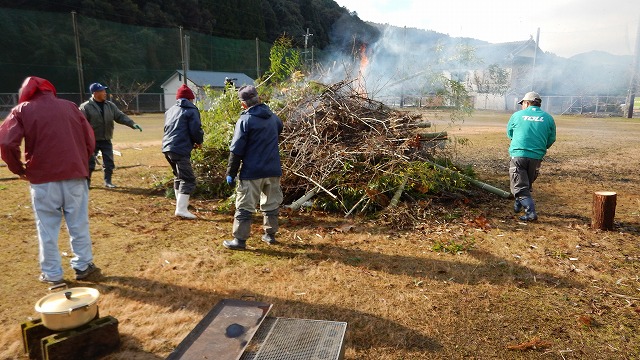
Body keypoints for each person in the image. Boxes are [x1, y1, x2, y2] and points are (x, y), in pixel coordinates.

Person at [0, 76, 99, 284]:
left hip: (43, 179)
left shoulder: (22, 110)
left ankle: (52, 274)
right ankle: (84, 265)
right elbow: (89, 138)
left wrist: (18, 169)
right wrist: (81, 161)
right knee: (79, 223)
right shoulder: (70, 107)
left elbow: (7, 142)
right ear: (49, 89)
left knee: (46, 227)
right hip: (75, 175)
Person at [223, 85, 284, 250]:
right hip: (273, 169)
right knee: (271, 204)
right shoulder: (274, 118)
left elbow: (236, 150)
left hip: (252, 172)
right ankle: (270, 235)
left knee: (244, 206)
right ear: (259, 98)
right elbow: (280, 129)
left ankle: (239, 240)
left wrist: (231, 172)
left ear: (244, 104)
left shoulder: (245, 120)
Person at [79, 82, 142, 188]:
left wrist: (132, 124)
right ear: (94, 93)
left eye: (104, 91)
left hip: (106, 139)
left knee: (109, 162)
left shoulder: (110, 105)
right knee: (89, 163)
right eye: (102, 91)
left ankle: (108, 181)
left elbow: (120, 116)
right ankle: (87, 183)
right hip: (91, 140)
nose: (105, 93)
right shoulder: (85, 107)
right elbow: (81, 123)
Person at [507, 91, 556, 221]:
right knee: (526, 182)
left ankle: (530, 213)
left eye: (522, 103)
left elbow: (510, 133)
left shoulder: (516, 115)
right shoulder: (548, 118)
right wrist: (540, 149)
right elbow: (552, 138)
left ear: (527, 103)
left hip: (518, 155)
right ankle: (519, 202)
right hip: (536, 157)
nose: (522, 106)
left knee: (519, 184)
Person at [162, 84, 204, 219]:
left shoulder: (170, 110)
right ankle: (181, 209)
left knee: (178, 176)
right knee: (188, 179)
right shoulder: (191, 110)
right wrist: (199, 141)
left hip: (167, 147)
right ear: (190, 99)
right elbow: (195, 130)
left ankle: (181, 203)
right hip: (180, 149)